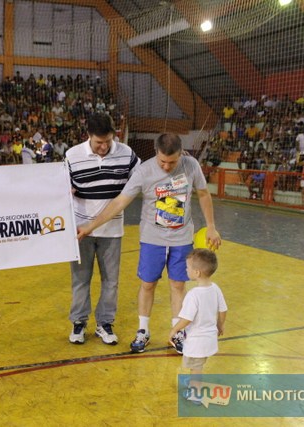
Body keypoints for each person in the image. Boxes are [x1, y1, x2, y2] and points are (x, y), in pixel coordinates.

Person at [77, 133, 221, 353]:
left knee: (178, 285)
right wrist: (90, 226)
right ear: (156, 152)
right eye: (162, 161)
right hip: (152, 239)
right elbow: (120, 202)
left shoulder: (191, 166)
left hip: (182, 238)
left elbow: (202, 193)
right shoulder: (144, 171)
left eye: (172, 162)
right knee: (147, 284)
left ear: (181, 154)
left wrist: (211, 226)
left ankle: (177, 332)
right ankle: (143, 330)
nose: (166, 166)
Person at [65, 113, 140, 345]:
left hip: (112, 231)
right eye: (99, 142)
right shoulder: (72, 155)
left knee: (111, 281)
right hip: (80, 231)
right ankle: (78, 323)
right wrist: (66, 191)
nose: (104, 146)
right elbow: (62, 187)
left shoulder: (127, 154)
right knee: (80, 280)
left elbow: (141, 179)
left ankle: (105, 323)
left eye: (108, 140)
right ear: (88, 136)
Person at [168, 249, 227, 403]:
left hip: (196, 340)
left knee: (196, 367)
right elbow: (223, 310)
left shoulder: (193, 294)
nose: (186, 270)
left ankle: (195, 393)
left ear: (197, 272)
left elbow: (187, 318)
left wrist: (174, 330)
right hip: (209, 338)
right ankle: (196, 385)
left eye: (188, 268)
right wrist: (220, 325)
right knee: (198, 365)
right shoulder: (215, 288)